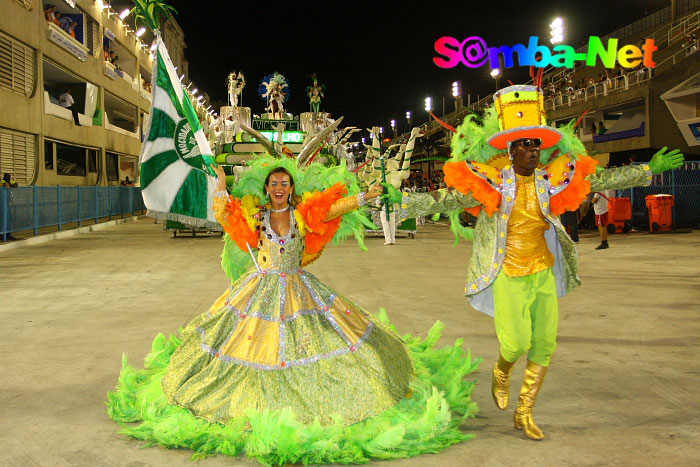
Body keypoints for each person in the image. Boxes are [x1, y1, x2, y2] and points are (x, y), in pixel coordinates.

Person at [107, 156, 480, 463]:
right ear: (267, 189)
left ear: (292, 189)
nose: (279, 188)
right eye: (274, 184)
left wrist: (366, 195)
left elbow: (336, 207)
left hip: (300, 290)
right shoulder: (256, 217)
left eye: (285, 183)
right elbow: (226, 216)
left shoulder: (305, 215)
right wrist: (219, 186)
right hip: (259, 292)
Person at [383, 84, 684, 441]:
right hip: (508, 273)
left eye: (535, 143)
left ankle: (524, 412)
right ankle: (501, 371)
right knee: (515, 345)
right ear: (510, 150)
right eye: (523, 144)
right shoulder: (492, 181)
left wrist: (647, 170)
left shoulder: (551, 180)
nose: (531, 150)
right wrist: (403, 200)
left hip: (542, 270)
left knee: (544, 344)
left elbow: (597, 180)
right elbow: (447, 199)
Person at [1, 173, 18, 241]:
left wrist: (10, 184)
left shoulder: (10, 182)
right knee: (2, 218)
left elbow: (16, 184)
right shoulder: (2, 181)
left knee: (9, 218)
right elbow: (3, 184)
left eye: (9, 177)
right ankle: (1, 234)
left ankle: (8, 233)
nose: (8, 178)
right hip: (2, 203)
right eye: (7, 177)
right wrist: (5, 184)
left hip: (7, 203)